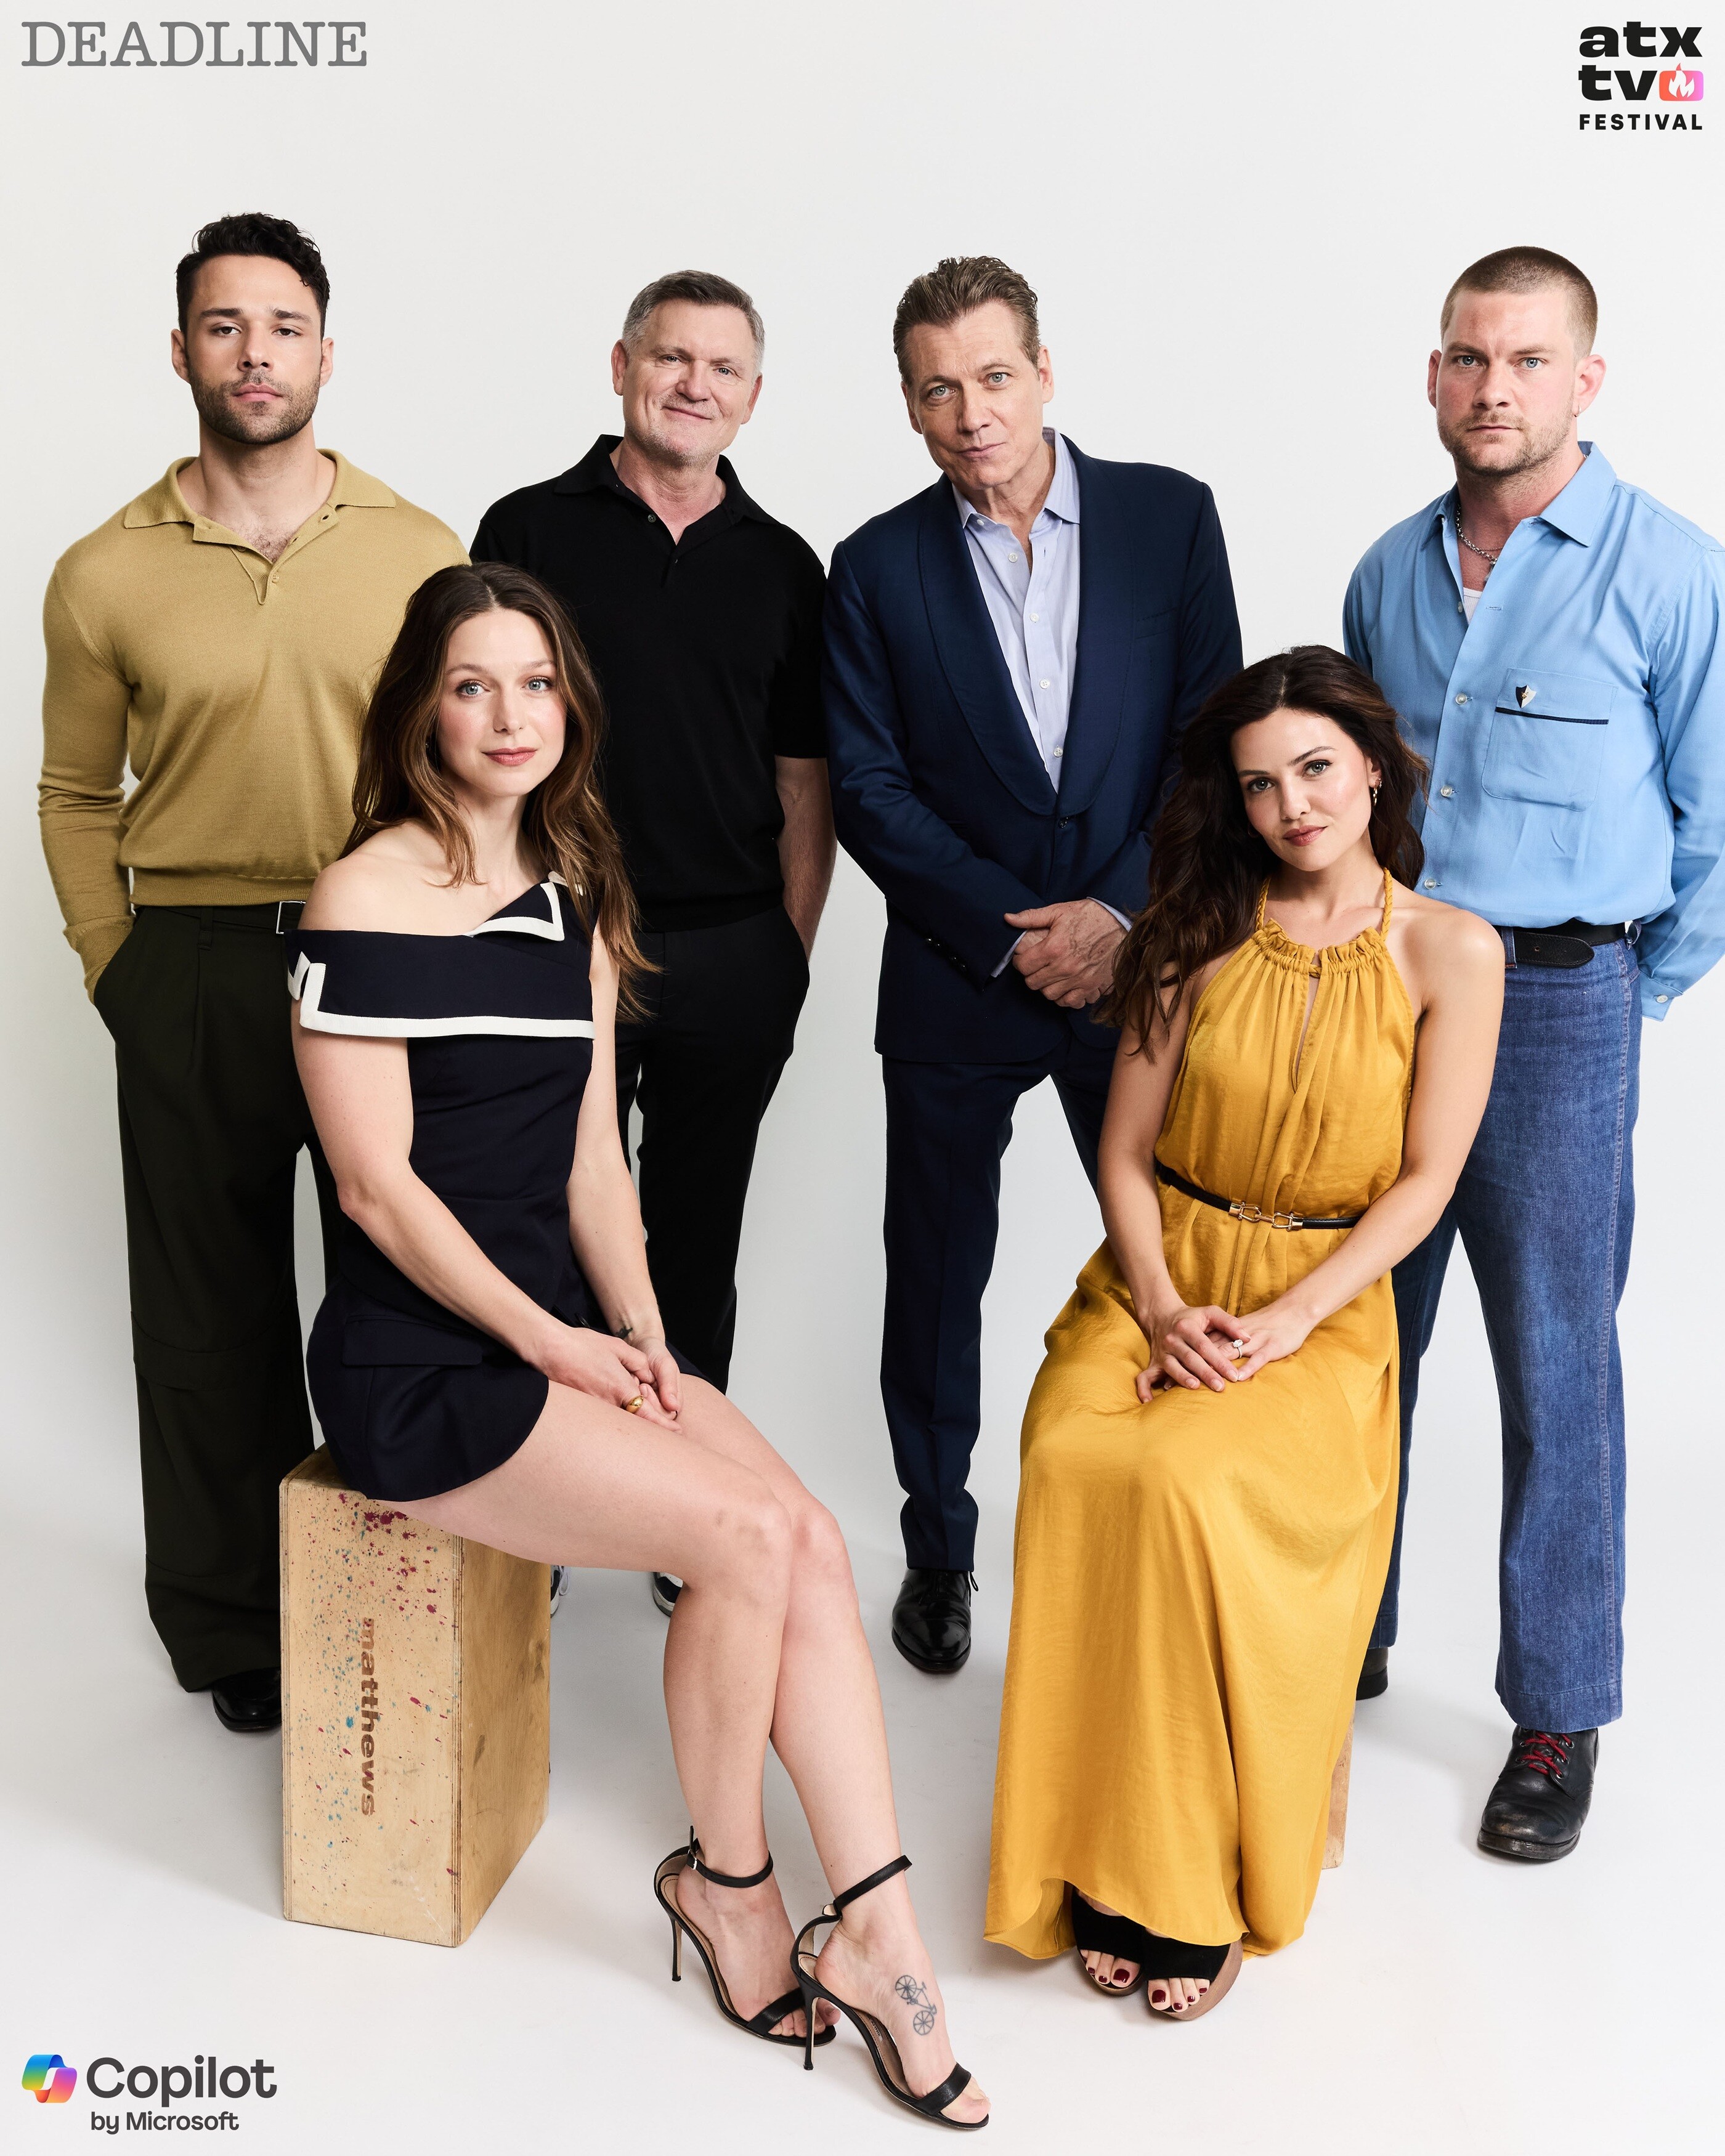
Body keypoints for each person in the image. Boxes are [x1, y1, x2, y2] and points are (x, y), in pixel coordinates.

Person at [287, 561, 986, 2130]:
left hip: (564, 1340)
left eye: (536, 683)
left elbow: (595, 1159)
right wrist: (552, 1341)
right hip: (427, 1366)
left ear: (569, 705)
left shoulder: (575, 892)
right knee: (742, 1537)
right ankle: (729, 1887)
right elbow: (376, 1189)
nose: (510, 714)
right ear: (421, 709)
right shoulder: (362, 898)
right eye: (472, 684)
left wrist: (648, 1341)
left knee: (808, 1536)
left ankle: (880, 1935)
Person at [987, 647, 1503, 2016]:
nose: (1291, 806)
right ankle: (1091, 1847)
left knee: (1187, 1478)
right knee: (1075, 1456)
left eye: (1316, 769)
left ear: (1373, 767)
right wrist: (1161, 1306)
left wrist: (1283, 1323)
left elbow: (1425, 1184)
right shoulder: (1191, 929)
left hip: (1320, 1308)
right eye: (1260, 783)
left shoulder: (1453, 950)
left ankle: (1186, 1883)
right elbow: (1122, 1153)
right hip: (1159, 1276)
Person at [36, 212, 465, 1734]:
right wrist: (118, 967)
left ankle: (406, 1593)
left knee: (402, 1291)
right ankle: (234, 1625)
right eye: (224, 326)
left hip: (381, 957)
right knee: (206, 1318)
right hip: (197, 963)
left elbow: (465, 766)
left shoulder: (422, 550)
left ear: (326, 352)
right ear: (181, 352)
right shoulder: (103, 571)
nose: (254, 353)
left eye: (282, 326)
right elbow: (73, 794)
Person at [1344, 246, 1725, 1862]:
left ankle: (1555, 1711)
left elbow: (1715, 823)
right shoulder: (1385, 573)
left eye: (1522, 359)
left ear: (1585, 379)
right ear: (1433, 375)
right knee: (1359, 1332)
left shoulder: (1671, 571)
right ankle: (1335, 1635)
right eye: (1464, 357)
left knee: (1556, 1362)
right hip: (1386, 999)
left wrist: (1623, 999)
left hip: (1563, 1007)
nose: (1490, 387)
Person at [822, 256, 1242, 1674]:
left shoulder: (1167, 518)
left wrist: (1116, 915)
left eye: (994, 376)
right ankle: (938, 1550)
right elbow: (868, 789)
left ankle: (1171, 1532)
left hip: (1139, 968)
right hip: (959, 981)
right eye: (937, 389)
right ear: (907, 405)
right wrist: (1021, 934)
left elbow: (1209, 747)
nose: (971, 413)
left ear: (1044, 372)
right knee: (934, 1283)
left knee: (1169, 1253)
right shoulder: (873, 566)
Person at [471, 273, 832, 1619]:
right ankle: (551, 1503)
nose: (693, 384)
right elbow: (478, 735)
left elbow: (804, 780)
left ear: (752, 396)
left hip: (732, 951)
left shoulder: (784, 565)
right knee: (545, 1227)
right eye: (670, 357)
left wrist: (785, 953)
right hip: (562, 939)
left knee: (694, 1235)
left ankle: (685, 1506)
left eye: (722, 367)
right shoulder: (526, 528)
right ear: (621, 368)